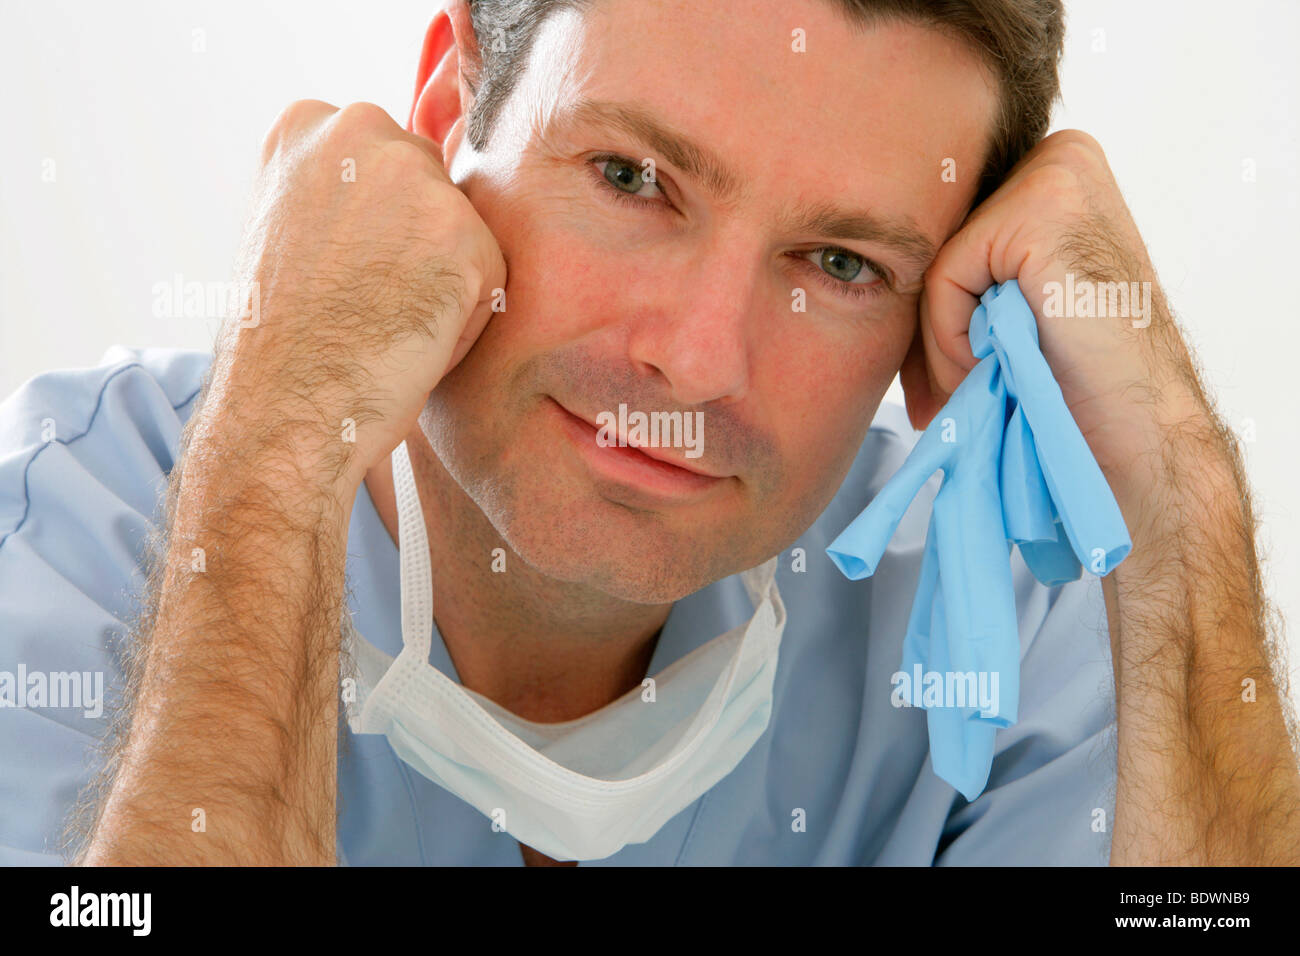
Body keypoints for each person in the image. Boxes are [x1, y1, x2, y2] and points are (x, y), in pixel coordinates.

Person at [1, 0, 1296, 866]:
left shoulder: (1000, 647)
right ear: (449, 119)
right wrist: (280, 443)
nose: (699, 357)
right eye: (630, 179)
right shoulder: (57, 562)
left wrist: (1180, 474)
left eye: (838, 262)